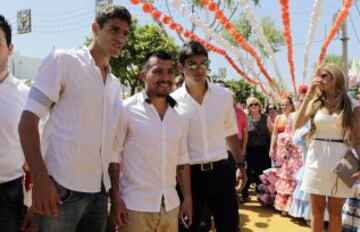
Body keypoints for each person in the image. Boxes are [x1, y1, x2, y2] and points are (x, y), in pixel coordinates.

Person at [18, 5, 131, 231]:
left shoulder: (114, 85)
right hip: (61, 191)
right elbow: (27, 122)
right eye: (114, 30)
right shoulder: (64, 62)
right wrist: (40, 181)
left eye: (125, 33)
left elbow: (110, 150)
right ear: (95, 28)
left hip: (99, 194)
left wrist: (114, 194)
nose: (120, 38)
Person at [110, 51, 192, 232]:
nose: (165, 77)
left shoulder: (181, 115)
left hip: (171, 206)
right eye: (158, 71)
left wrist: (187, 198)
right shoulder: (125, 110)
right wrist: (115, 199)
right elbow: (113, 158)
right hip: (134, 207)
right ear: (142, 75)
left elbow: (182, 160)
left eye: (170, 72)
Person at [171, 40, 246, 232]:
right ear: (181, 67)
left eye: (203, 63)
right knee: (191, 228)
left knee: (229, 226)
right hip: (189, 177)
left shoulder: (223, 95)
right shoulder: (173, 103)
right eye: (192, 64)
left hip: (222, 172)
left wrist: (240, 165)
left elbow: (231, 133)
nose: (199, 69)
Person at [295, 64, 360, 232]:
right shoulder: (315, 103)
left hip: (342, 162)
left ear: (335, 78)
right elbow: (297, 124)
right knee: (316, 212)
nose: (319, 80)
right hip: (315, 160)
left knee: (336, 212)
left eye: (324, 76)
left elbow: (358, 140)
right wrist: (308, 96)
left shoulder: (352, 105)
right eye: (318, 76)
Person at [0, 14, 30, 232]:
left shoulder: (26, 95)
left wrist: (31, 203)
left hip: (9, 194)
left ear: (10, 48)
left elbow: (37, 152)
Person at [240, 97, 270, 202]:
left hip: (263, 150)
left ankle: (261, 195)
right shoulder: (246, 118)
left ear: (259, 106)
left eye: (255, 104)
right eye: (251, 105)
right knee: (247, 172)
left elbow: (271, 134)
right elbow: (244, 135)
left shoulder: (266, 118)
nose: (253, 106)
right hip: (250, 149)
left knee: (261, 173)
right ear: (248, 107)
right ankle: (244, 194)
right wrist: (243, 149)